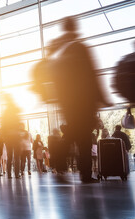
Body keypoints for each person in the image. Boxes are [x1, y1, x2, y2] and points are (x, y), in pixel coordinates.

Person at [46, 17, 109, 183]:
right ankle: (84, 174)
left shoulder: (62, 52)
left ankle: (65, 165)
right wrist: (103, 98)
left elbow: (57, 80)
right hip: (82, 103)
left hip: (69, 104)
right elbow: (91, 75)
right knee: (83, 140)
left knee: (74, 137)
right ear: (75, 28)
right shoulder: (80, 48)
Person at [0, 94, 22, 179]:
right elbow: (18, 124)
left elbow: (3, 125)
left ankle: (9, 174)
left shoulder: (6, 112)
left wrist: (5, 136)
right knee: (16, 156)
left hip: (9, 137)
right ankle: (16, 173)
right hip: (15, 136)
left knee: (10, 155)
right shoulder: (14, 111)